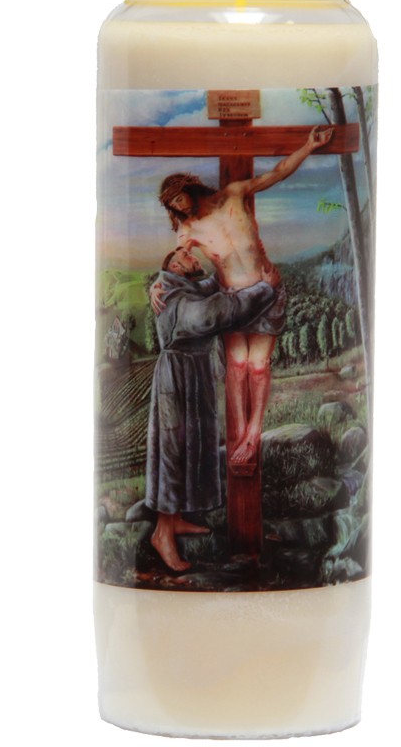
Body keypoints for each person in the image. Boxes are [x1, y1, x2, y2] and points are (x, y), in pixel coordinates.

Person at [158, 125, 333, 473]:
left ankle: (254, 434)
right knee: (237, 368)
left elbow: (278, 173)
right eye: (172, 205)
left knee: (259, 366)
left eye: (178, 198)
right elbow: (175, 260)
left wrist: (309, 146)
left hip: (267, 290)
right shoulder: (188, 230)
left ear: (189, 189)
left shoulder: (234, 194)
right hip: (234, 300)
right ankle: (239, 435)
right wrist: (157, 285)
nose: (178, 207)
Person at [145, 247, 280, 571]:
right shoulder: (172, 297)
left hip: (192, 375)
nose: (193, 254)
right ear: (175, 265)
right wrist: (266, 289)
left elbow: (210, 286)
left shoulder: (180, 287)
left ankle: (176, 519)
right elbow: (217, 313)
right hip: (176, 380)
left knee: (191, 449)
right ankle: (162, 533)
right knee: (173, 452)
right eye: (185, 254)